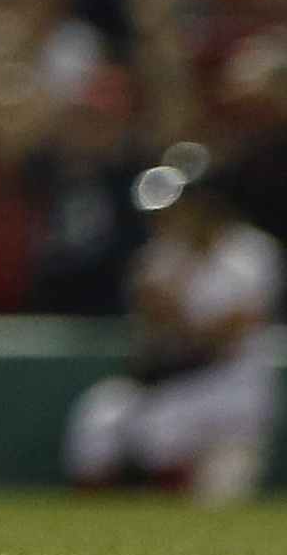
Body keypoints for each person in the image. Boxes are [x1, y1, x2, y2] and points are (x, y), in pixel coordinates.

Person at [64, 170, 282, 502]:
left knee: (166, 430)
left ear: (206, 205)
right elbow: (152, 328)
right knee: (98, 416)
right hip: (174, 381)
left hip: (232, 390)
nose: (167, 219)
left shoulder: (249, 252)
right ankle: (89, 523)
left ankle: (168, 518)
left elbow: (230, 333)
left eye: (179, 208)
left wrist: (178, 313)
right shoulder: (157, 256)